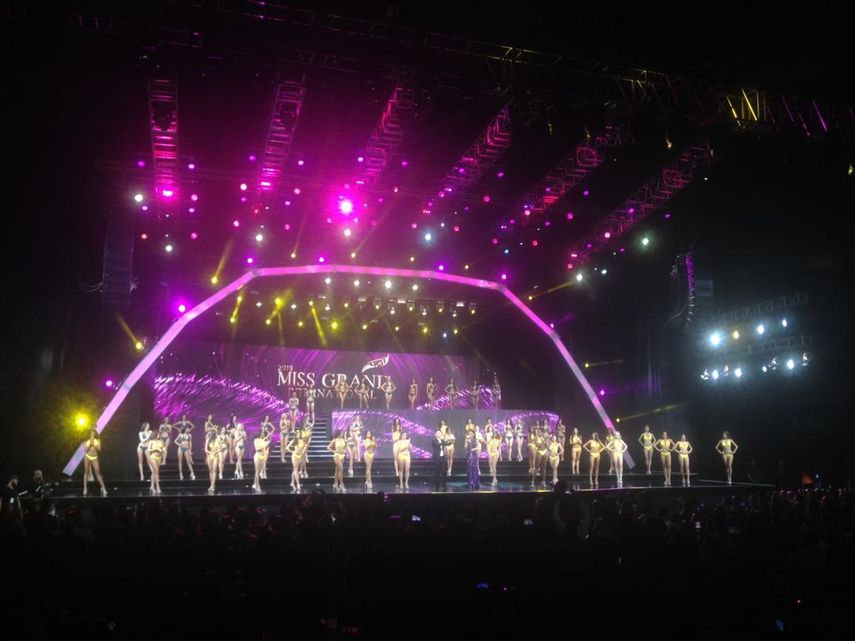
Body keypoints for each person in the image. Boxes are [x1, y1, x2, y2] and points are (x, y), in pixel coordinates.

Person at [82, 430, 108, 496]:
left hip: (94, 457)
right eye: (91, 434)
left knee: (98, 472)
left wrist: (93, 444)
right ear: (89, 435)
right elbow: (85, 450)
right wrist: (90, 444)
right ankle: (85, 488)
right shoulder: (85, 441)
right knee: (86, 472)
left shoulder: (98, 441)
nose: (92, 435)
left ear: (95, 435)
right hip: (87, 456)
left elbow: (99, 449)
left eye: (93, 434)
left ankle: (104, 488)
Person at [432, 425, 449, 491]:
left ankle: (444, 485)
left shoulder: (442, 440)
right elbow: (437, 445)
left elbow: (446, 443)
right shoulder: (434, 440)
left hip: (442, 457)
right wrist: (443, 443)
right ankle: (437, 485)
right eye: (438, 433)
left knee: (444, 471)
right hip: (437, 458)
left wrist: (449, 442)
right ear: (436, 434)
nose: (439, 434)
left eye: (440, 433)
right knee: (437, 472)